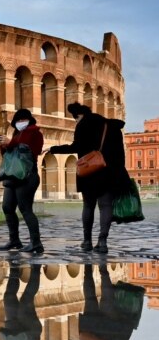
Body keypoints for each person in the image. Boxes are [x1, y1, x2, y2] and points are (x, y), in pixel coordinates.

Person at [49, 103, 131, 253]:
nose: (75, 122)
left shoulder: (83, 125)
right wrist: (119, 173)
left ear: (78, 116)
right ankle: (103, 241)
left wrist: (53, 149)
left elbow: (75, 147)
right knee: (106, 206)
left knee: (88, 206)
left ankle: (87, 241)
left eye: (75, 120)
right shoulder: (112, 127)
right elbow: (120, 154)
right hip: (109, 172)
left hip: (90, 172)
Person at [0, 108, 44, 252]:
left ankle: (36, 243)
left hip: (27, 176)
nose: (20, 123)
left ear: (29, 120)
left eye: (23, 120)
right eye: (17, 120)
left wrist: (11, 143)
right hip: (13, 176)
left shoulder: (35, 133)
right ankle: (14, 240)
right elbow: (9, 154)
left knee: (25, 209)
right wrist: (4, 145)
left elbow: (30, 150)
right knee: (7, 207)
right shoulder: (17, 133)